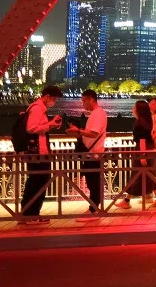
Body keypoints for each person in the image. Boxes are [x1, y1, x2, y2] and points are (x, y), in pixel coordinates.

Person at [19, 85, 63, 224]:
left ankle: (28, 214)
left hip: (37, 152)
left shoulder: (37, 108)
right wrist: (50, 125)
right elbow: (31, 128)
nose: (54, 102)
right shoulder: (37, 108)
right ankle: (32, 214)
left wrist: (51, 124)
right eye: (54, 99)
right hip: (37, 153)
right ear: (47, 96)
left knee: (34, 182)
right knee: (39, 183)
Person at [65, 89, 106, 221]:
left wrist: (78, 131)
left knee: (93, 182)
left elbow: (94, 133)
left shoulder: (98, 114)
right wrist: (79, 132)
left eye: (84, 101)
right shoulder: (96, 114)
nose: (83, 104)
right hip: (91, 152)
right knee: (92, 181)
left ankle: (93, 211)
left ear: (91, 99)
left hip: (93, 153)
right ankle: (93, 209)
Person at [116, 100, 156, 209]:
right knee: (148, 176)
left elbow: (142, 141)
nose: (133, 109)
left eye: (135, 107)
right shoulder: (148, 121)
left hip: (142, 152)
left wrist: (142, 156)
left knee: (135, 176)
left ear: (139, 110)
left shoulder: (139, 124)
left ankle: (126, 201)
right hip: (151, 151)